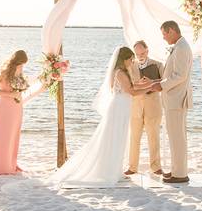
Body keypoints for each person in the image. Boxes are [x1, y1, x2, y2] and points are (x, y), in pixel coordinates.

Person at [53, 47, 152, 187]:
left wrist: (145, 83)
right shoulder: (120, 72)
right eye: (130, 59)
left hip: (121, 107)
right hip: (119, 108)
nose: (132, 61)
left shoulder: (119, 71)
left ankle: (116, 170)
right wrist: (149, 88)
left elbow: (129, 86)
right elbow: (131, 91)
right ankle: (111, 171)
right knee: (115, 139)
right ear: (123, 59)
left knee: (119, 139)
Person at [151, 21, 193, 184]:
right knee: (176, 137)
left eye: (164, 33)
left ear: (172, 31)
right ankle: (177, 170)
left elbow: (180, 75)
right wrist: (158, 81)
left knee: (177, 138)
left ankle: (181, 174)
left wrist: (161, 85)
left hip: (176, 100)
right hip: (174, 99)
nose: (163, 37)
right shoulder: (180, 46)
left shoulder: (181, 48)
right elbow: (173, 73)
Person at [0, 50, 29, 175]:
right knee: (1, 135)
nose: (22, 66)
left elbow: (19, 87)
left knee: (13, 135)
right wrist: (10, 94)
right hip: (4, 106)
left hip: (17, 107)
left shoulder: (20, 70)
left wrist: (19, 92)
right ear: (16, 61)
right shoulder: (2, 71)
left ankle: (10, 163)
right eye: (21, 64)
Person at [125, 40, 163, 176]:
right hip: (135, 106)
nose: (140, 55)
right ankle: (132, 167)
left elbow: (165, 84)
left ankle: (156, 166)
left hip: (153, 106)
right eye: (137, 53)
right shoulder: (130, 66)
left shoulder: (158, 65)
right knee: (134, 137)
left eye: (142, 52)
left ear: (147, 50)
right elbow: (128, 85)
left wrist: (152, 83)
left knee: (154, 137)